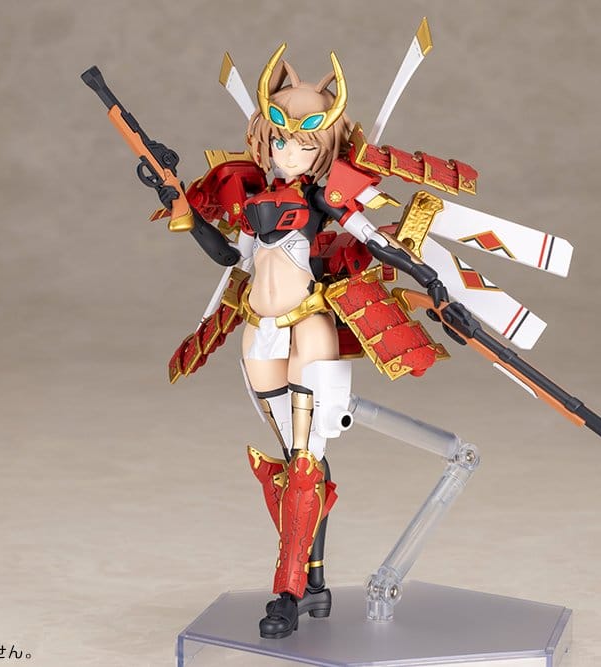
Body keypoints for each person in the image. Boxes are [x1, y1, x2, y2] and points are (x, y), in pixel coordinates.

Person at [155, 44, 449, 639]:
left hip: (309, 326)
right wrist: (183, 210)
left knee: (307, 461)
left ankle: (287, 593)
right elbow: (230, 256)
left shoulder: (321, 199)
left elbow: (378, 242)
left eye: (306, 142)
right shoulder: (253, 199)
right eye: (281, 139)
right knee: (291, 463)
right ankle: (314, 582)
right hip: (259, 330)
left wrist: (433, 282)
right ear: (264, 138)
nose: (290, 151)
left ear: (326, 146)